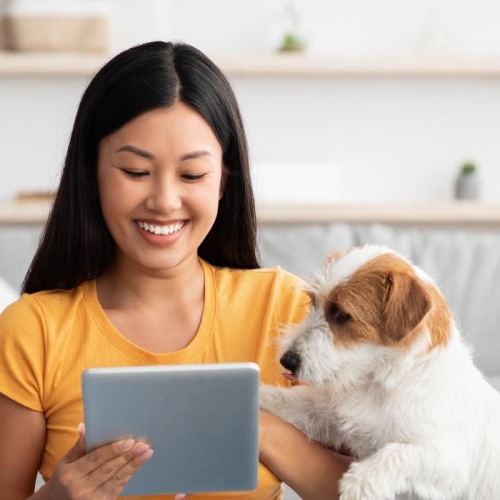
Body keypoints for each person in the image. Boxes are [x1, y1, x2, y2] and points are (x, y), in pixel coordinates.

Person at [0, 41, 349, 499]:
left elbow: (378, 487)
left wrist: (258, 429)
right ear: (91, 174)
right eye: (135, 171)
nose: (164, 200)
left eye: (192, 175)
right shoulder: (33, 331)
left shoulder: (286, 312)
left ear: (224, 180)